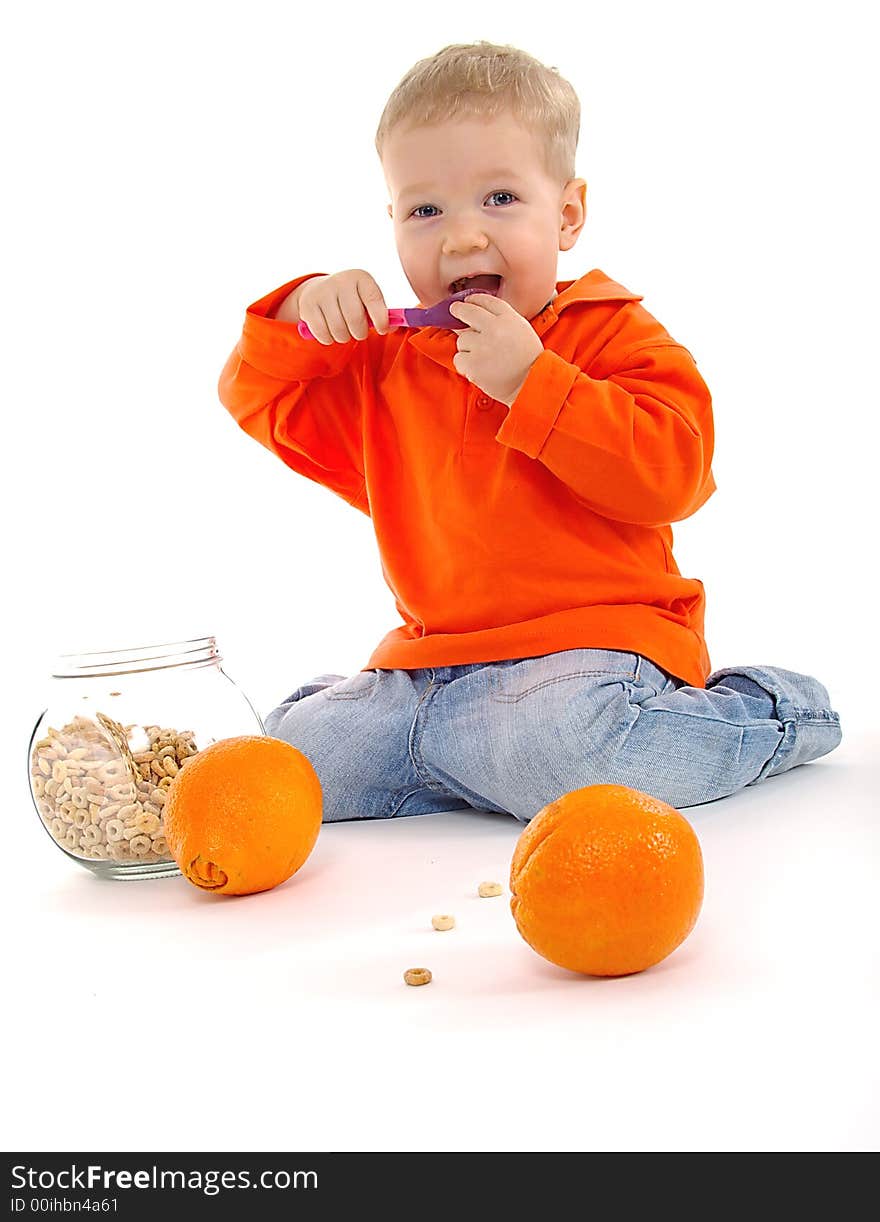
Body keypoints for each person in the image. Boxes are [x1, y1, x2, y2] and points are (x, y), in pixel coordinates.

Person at [217, 40, 841, 824]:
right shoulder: (386, 363)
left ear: (569, 213)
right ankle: (457, 757)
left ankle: (775, 712)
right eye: (425, 210)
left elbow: (676, 473)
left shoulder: (609, 331)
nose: (461, 237)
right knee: (295, 763)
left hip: (591, 657)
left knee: (568, 754)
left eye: (501, 199)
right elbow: (255, 402)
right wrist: (297, 312)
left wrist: (533, 384)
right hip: (429, 668)